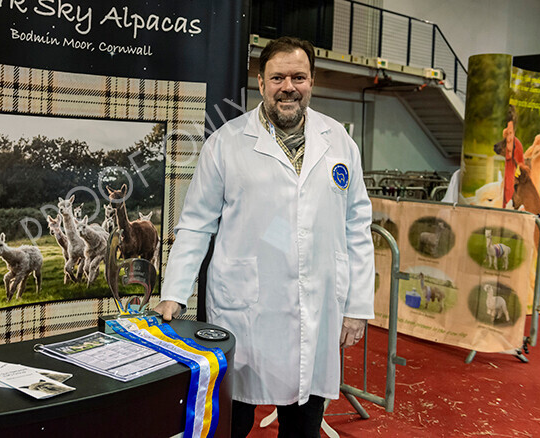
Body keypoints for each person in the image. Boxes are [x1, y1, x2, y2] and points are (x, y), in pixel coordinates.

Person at [153, 36, 375, 438]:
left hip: (315, 305)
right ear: (260, 82)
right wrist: (174, 293)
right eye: (278, 77)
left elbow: (357, 225)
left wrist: (358, 305)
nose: (288, 87)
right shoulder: (226, 143)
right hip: (246, 307)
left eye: (298, 77)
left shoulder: (339, 140)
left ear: (312, 82)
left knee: (303, 422)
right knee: (233, 421)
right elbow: (196, 224)